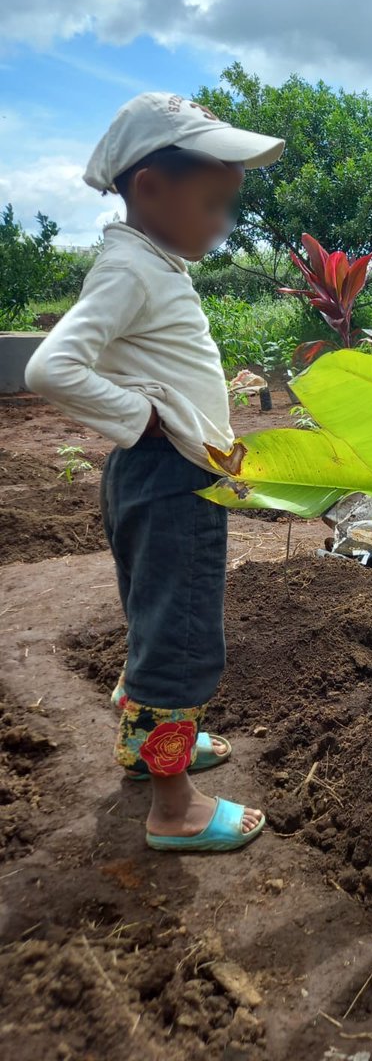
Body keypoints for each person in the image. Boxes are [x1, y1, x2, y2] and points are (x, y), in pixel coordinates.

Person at [26, 93, 285, 851]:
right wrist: (143, 420)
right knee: (179, 643)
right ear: (150, 187)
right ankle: (175, 809)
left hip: (153, 476)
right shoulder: (132, 271)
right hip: (168, 480)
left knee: (154, 618)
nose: (222, 222)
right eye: (213, 202)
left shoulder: (144, 260)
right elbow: (52, 367)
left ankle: (148, 750)